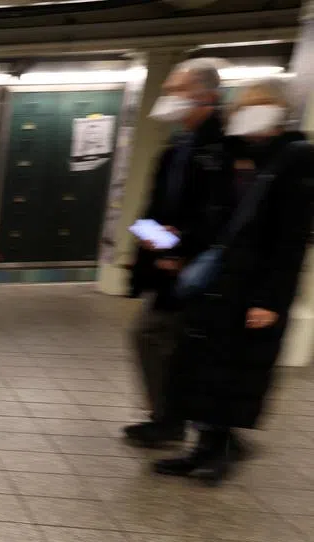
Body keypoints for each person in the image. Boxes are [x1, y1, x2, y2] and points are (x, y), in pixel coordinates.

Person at [155, 79, 314, 485]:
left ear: (278, 113)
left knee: (233, 371)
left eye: (257, 107)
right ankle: (198, 448)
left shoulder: (295, 160)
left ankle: (219, 451)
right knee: (202, 367)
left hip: (252, 287)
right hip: (217, 282)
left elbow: (290, 241)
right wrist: (173, 247)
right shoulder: (229, 158)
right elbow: (211, 222)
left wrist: (271, 300)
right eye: (243, 107)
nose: (247, 115)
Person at [123, 59, 233, 448]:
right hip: (169, 263)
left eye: (175, 91)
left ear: (205, 96)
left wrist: (183, 245)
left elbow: (224, 213)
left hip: (201, 268)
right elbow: (159, 204)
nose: (167, 98)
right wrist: (150, 236)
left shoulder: (223, 146)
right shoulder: (179, 144)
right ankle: (170, 418)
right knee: (155, 337)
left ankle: (189, 424)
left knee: (166, 338)